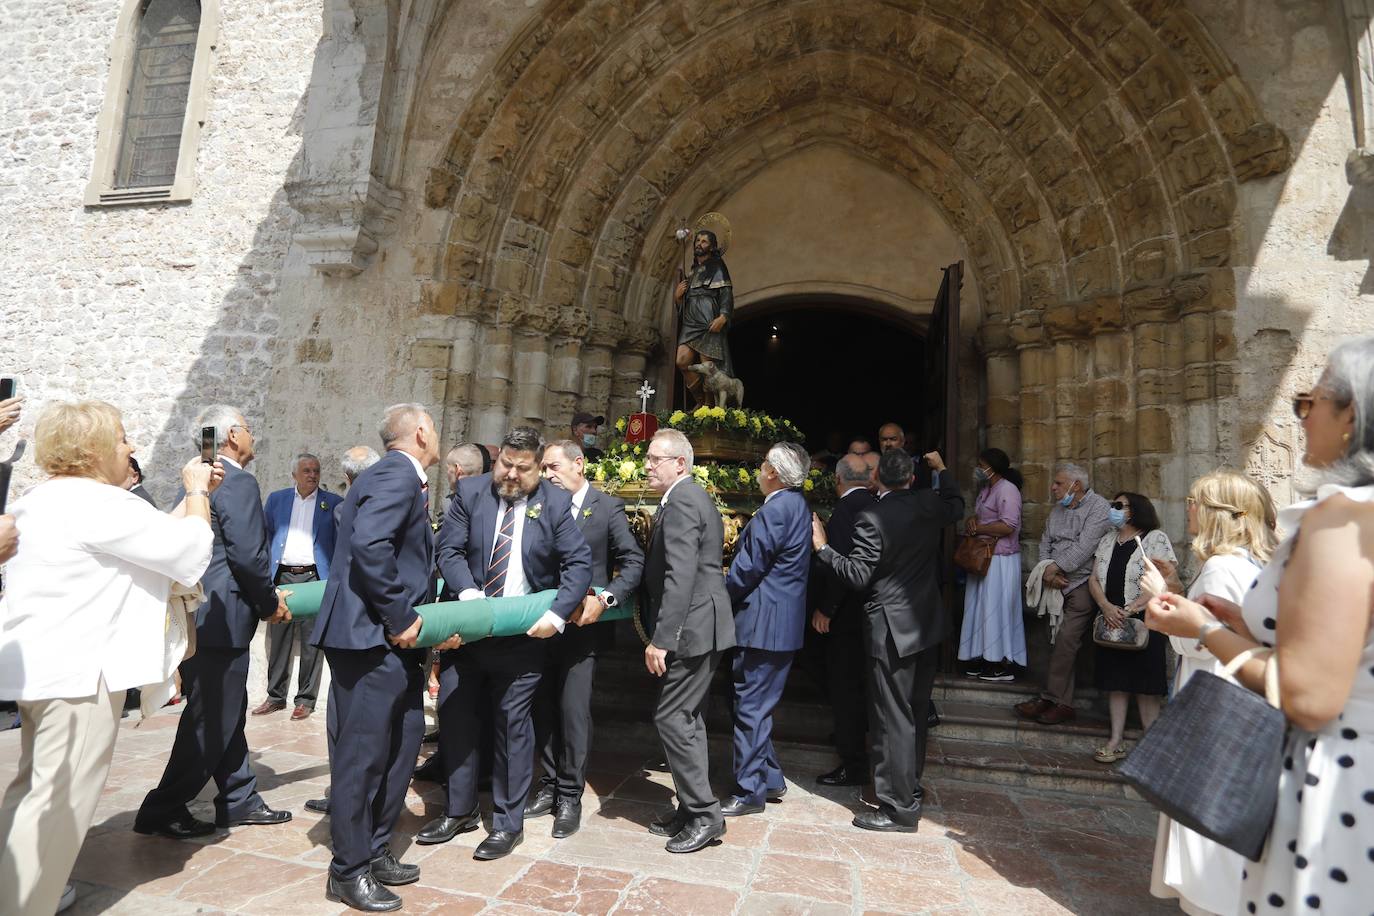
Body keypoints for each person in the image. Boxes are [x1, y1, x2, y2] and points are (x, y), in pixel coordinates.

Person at [1147, 337, 1374, 916]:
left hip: (1336, 781)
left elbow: (1311, 694)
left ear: (1353, 415)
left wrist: (1204, 630)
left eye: (1312, 401)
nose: (1300, 417)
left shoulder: (1344, 521)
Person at [0, 401, 216, 916]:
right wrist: (197, 493)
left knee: (33, 792)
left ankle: (24, 886)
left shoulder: (42, 499)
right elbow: (187, 554)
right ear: (94, 449)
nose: (132, 447)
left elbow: (145, 540)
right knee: (59, 807)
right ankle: (27, 902)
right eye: (122, 438)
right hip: (81, 676)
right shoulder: (101, 503)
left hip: (43, 670)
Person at [311, 403, 458, 911]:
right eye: (434, 428)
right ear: (420, 432)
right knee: (363, 757)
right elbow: (370, 546)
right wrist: (401, 617)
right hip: (371, 639)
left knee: (402, 745)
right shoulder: (396, 476)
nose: (436, 435)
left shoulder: (388, 476)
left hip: (384, 641)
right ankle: (347, 870)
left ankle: (374, 850)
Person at [422, 426, 592, 860]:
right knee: (456, 716)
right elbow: (450, 551)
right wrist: (469, 597)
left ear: (538, 468)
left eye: (522, 468)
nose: (511, 475)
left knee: (511, 729)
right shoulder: (472, 491)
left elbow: (578, 563)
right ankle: (458, 810)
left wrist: (556, 617)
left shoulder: (554, 504)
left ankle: (506, 823)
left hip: (522, 637)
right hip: (468, 631)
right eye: (505, 465)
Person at [135, 406, 292, 840]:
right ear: (231, 437)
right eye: (248, 428)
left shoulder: (199, 483)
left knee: (225, 710)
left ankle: (239, 798)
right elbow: (247, 557)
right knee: (210, 719)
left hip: (200, 617)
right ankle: (161, 807)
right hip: (222, 619)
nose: (254, 435)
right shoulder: (238, 480)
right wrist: (268, 604)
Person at [812, 448, 962, 832]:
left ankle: (897, 808)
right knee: (913, 713)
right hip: (926, 625)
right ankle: (909, 788)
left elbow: (857, 574)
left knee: (891, 718)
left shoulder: (872, 518)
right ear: (912, 479)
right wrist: (942, 470)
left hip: (891, 631)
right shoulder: (929, 504)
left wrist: (823, 549)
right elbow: (955, 503)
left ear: (877, 480)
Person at [1148, 470, 1274, 916]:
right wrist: (1180, 590)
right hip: (1240, 692)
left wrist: (1160, 598)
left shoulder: (1221, 566)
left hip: (1216, 696)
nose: (1188, 508)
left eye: (1195, 500)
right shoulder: (1251, 563)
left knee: (1206, 818)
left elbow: (1197, 643)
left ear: (1217, 513)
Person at [527, 439, 643, 838]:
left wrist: (607, 598)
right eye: (543, 468)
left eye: (553, 467)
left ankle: (570, 796)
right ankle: (548, 784)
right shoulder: (538, 504)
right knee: (542, 708)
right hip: (540, 625)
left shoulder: (606, 507)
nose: (547, 475)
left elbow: (632, 560)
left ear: (579, 464)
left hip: (582, 631)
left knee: (572, 710)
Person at [641, 429, 735, 851]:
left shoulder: (681, 500)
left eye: (655, 458)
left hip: (693, 626)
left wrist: (662, 639)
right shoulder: (689, 497)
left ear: (680, 463)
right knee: (687, 718)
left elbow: (681, 575)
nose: (647, 464)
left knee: (673, 718)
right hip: (700, 623)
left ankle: (704, 814)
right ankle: (692, 808)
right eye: (646, 457)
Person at [721, 442, 811, 816]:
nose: (758, 470)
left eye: (762, 465)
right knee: (754, 705)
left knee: (751, 707)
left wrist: (718, 596)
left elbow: (748, 568)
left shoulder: (778, 509)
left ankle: (749, 790)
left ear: (773, 472)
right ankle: (770, 778)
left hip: (763, 624)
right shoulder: (796, 506)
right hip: (776, 624)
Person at [305, 444, 381, 818]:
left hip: (350, 627)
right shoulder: (370, 507)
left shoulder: (344, 509)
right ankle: (348, 797)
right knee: (350, 720)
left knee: (346, 719)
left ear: (349, 479)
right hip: (366, 628)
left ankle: (347, 797)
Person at [1014, 463, 1113, 725]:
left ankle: (1051, 698)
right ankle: (1061, 702)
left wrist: (1054, 569)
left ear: (1076, 485)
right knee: (1055, 640)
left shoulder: (1099, 507)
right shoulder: (1058, 510)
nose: (1053, 488)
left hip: (1082, 583)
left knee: (1066, 640)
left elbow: (1085, 547)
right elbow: (1045, 541)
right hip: (1055, 583)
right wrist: (1047, 571)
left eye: (1058, 483)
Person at [1087, 492, 1178, 763]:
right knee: (1116, 681)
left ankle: (1150, 742)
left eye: (1119, 506)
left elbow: (1165, 579)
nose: (1113, 510)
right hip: (1110, 618)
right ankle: (1116, 740)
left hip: (1144, 619)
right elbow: (1093, 578)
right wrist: (1105, 606)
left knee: (1145, 683)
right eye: (1113, 505)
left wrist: (1130, 609)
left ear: (1134, 510)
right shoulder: (1107, 540)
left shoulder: (1155, 538)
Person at [258, 453, 343, 720]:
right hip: (283, 576)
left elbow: (341, 544)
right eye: (306, 470)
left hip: (315, 579)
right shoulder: (277, 500)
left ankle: (305, 699)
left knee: (311, 642)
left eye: (316, 470)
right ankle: (275, 696)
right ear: (294, 474)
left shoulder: (332, 503)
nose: (312, 475)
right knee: (279, 639)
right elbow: (266, 534)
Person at [812, 453, 878, 787]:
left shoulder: (845, 511)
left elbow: (839, 566)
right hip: (870, 614)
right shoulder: (876, 503)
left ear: (837, 480)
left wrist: (826, 608)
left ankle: (852, 761)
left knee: (845, 689)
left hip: (847, 616)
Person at [957, 448, 1025, 681]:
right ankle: (981, 657)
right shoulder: (987, 489)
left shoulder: (1008, 489)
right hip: (983, 557)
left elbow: (1008, 525)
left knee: (997, 610)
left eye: (980, 464)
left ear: (991, 467)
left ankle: (1002, 662)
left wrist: (980, 528)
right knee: (980, 609)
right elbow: (981, 516)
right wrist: (972, 522)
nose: (978, 469)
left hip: (1001, 559)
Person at [673, 229, 734, 405]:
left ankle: (709, 406)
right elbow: (684, 305)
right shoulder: (692, 272)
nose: (699, 243)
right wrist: (678, 297)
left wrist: (723, 316)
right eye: (697, 240)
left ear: (712, 246)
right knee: (682, 361)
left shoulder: (718, 267)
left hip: (708, 319)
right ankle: (700, 399)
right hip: (691, 321)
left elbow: (726, 294)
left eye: (704, 241)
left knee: (708, 368)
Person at [441, 444, 485, 516]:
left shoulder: (450, 506)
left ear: (458, 470)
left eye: (448, 468)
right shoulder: (492, 504)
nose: (447, 473)